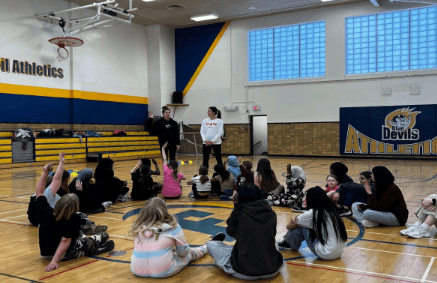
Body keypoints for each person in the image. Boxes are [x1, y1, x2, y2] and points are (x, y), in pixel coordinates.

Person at [35, 153, 114, 272]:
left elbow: (40, 191)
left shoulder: (45, 210)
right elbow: (64, 241)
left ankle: (87, 241)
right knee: (103, 236)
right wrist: (54, 261)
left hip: (46, 251)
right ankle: (91, 247)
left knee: (80, 233)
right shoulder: (73, 218)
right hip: (62, 254)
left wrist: (45, 172)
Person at [207, 183, 284, 280]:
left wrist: (236, 207)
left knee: (211, 245)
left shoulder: (240, 213)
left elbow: (230, 232)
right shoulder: (272, 213)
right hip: (273, 268)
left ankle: (217, 243)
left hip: (245, 271)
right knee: (273, 243)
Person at [129, 197, 207, 278]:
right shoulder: (173, 226)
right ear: (164, 210)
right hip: (163, 271)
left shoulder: (138, 227)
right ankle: (207, 247)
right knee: (190, 253)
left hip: (136, 269)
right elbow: (183, 252)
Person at [277, 186, 348, 260]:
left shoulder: (312, 213)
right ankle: (288, 242)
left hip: (325, 253)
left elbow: (288, 227)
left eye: (305, 196)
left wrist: (294, 221)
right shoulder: (331, 210)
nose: (304, 198)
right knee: (307, 224)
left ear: (311, 199)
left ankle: (288, 244)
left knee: (301, 226)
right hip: (339, 252)